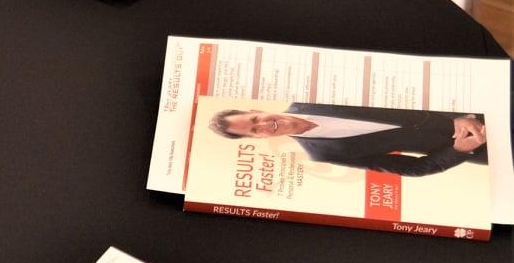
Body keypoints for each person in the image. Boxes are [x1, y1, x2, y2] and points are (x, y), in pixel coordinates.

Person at [208, 103, 488, 177]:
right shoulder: (323, 154)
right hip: (476, 147)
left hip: (477, 106)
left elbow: (408, 85)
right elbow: (413, 169)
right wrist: (459, 150)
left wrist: (458, 114)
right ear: (256, 139)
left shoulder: (313, 94)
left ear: (256, 110)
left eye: (255, 119)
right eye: (254, 130)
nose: (263, 125)